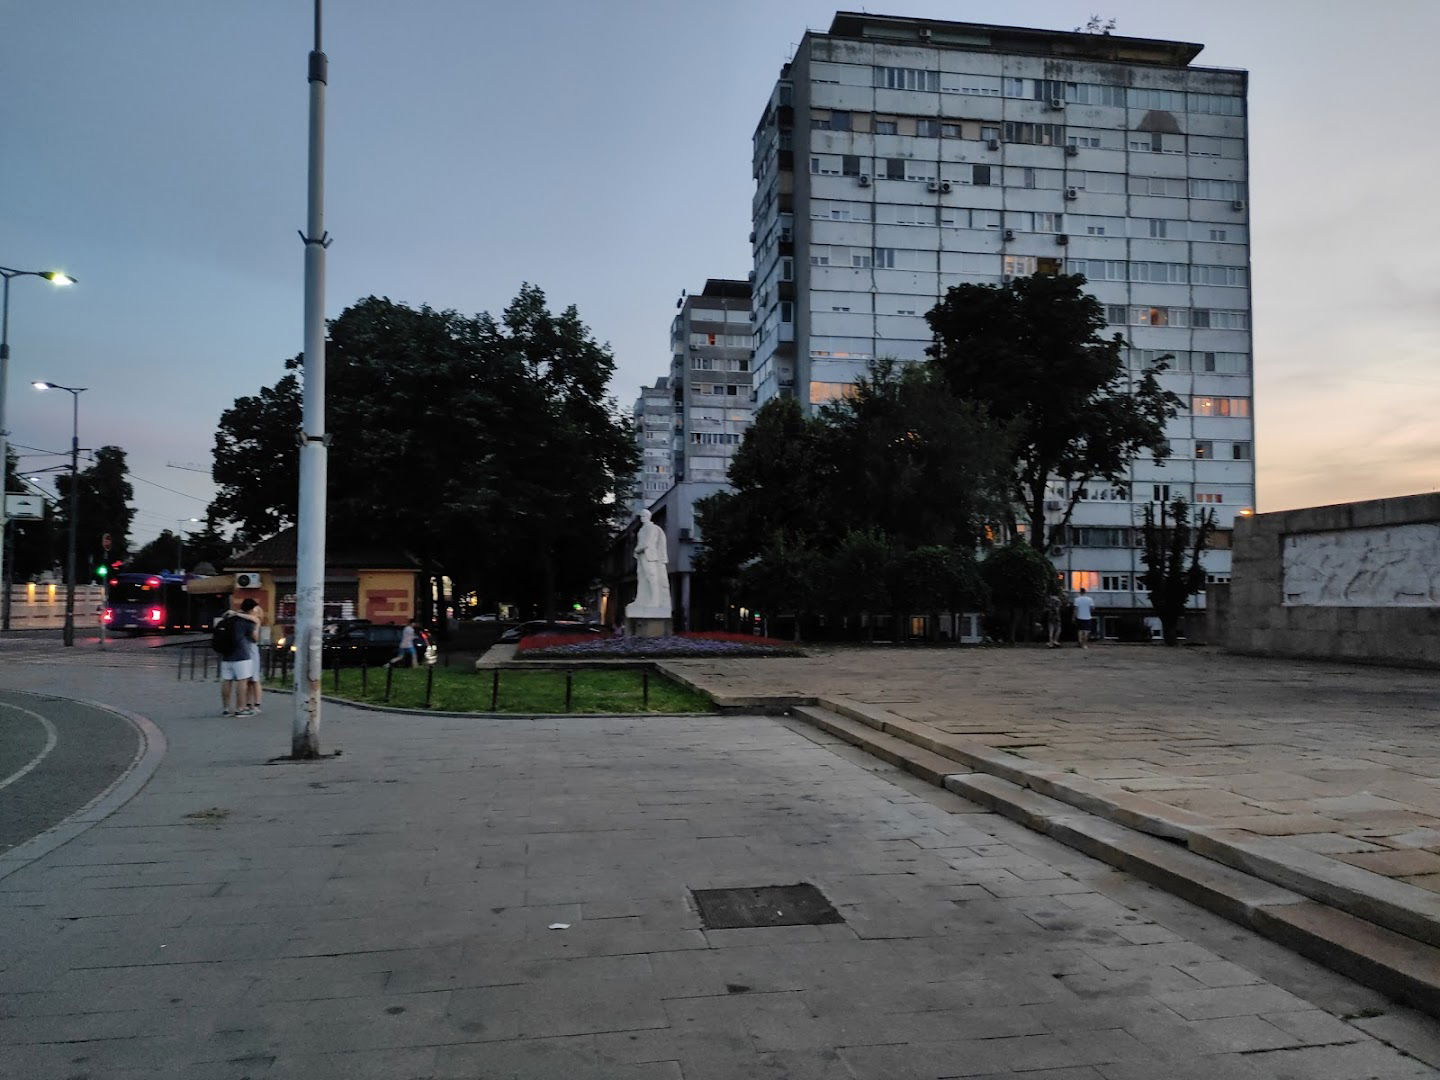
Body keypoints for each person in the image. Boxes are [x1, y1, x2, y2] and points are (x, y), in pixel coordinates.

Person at [214, 605, 255, 716]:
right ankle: (240, 708)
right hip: (242, 656)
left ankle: (226, 708)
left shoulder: (223, 622)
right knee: (242, 682)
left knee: (226, 681)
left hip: (226, 656)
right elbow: (254, 637)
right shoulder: (245, 623)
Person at [236, 599, 264, 716]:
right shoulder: (245, 619)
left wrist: (236, 613)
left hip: (250, 650)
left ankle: (255, 704)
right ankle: (249, 704)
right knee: (249, 679)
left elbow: (256, 635)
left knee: (254, 679)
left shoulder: (253, 619)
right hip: (249, 651)